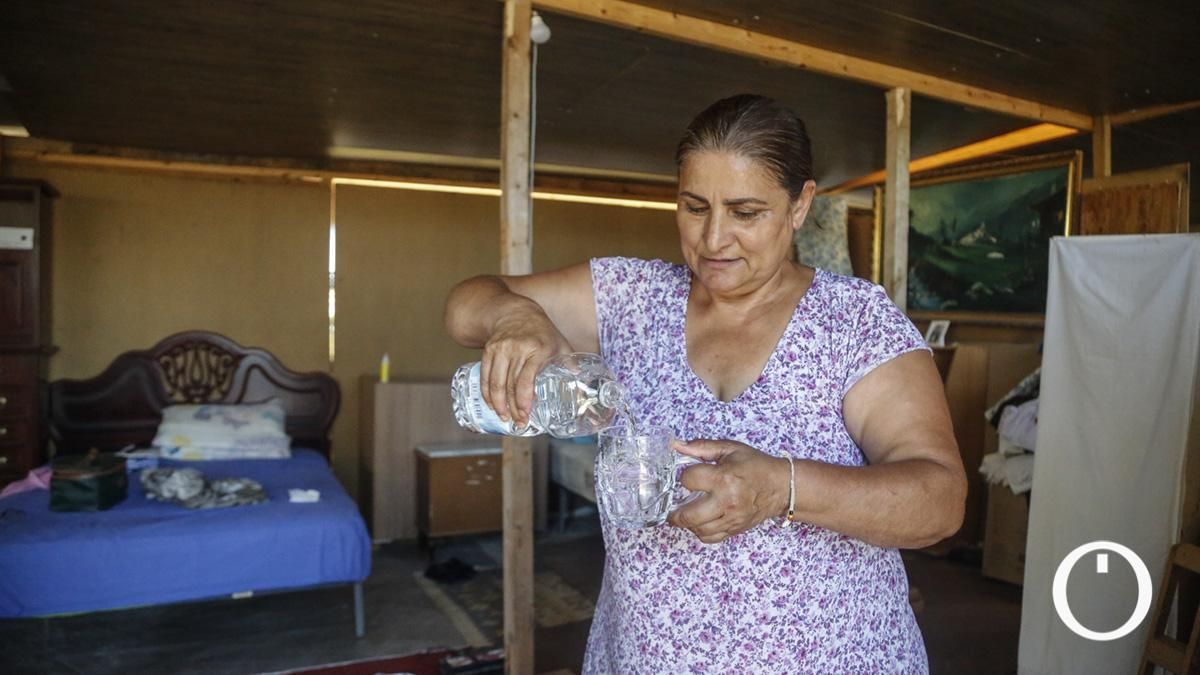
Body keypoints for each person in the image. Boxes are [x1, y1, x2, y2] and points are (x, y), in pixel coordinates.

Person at [444, 94, 966, 673]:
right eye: (695, 207)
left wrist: (780, 489)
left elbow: (940, 502)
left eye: (745, 213)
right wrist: (513, 317)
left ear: (800, 205)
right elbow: (469, 301)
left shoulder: (854, 322)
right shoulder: (630, 298)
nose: (715, 240)